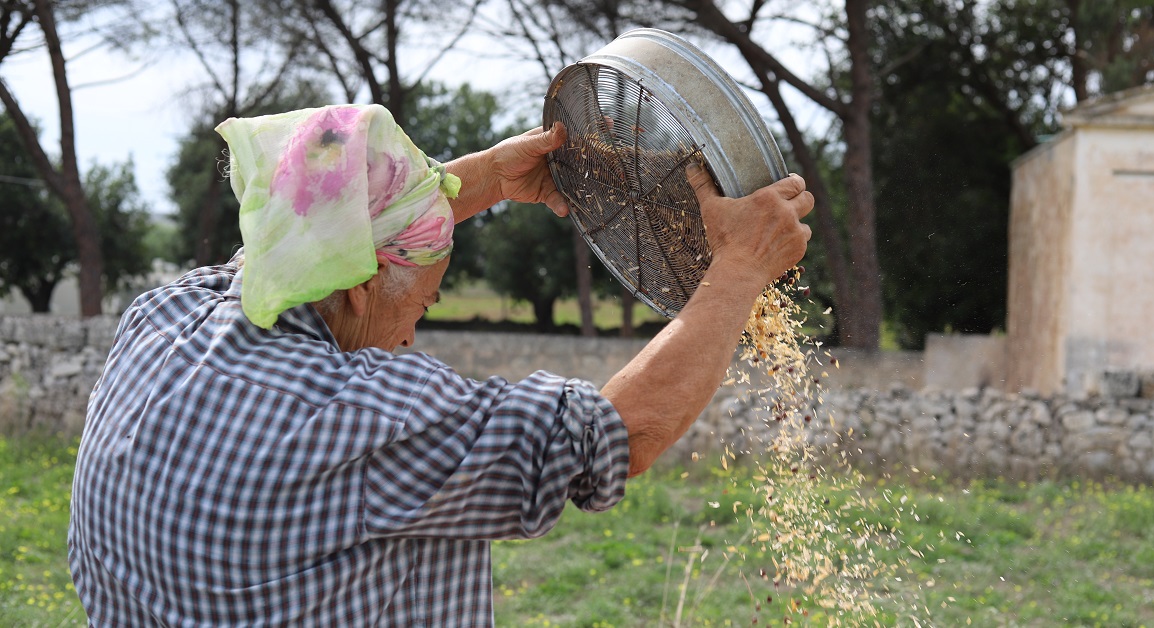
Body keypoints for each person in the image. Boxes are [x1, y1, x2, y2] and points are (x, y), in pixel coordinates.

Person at [68, 104, 814, 626]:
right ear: (361, 289)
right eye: (420, 309)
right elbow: (619, 435)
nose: (412, 341)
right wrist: (740, 267)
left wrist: (489, 177)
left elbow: (305, 224)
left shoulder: (170, 315)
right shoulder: (359, 419)